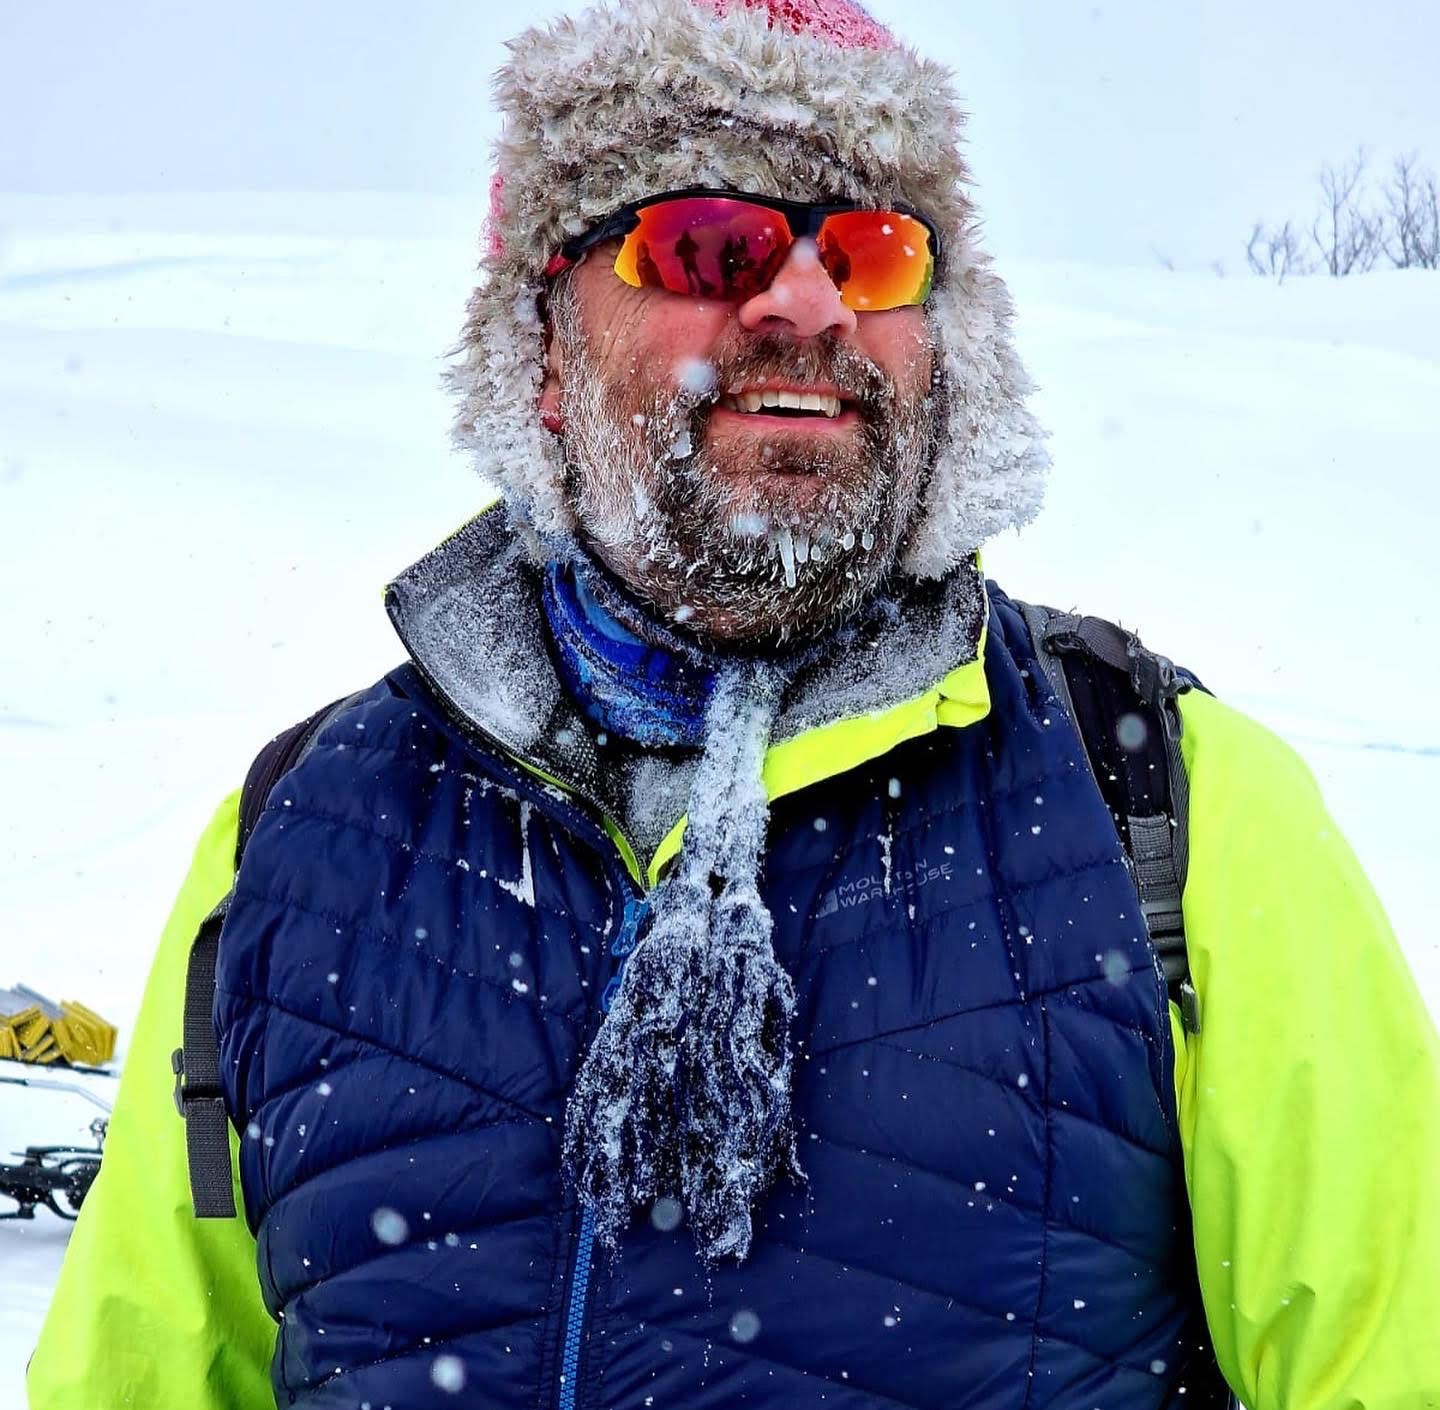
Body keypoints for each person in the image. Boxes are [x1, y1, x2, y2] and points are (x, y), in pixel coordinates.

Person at [28, 0, 1440, 1406]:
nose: (808, 301)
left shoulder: (1164, 809)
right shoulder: (300, 844)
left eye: (874, 252)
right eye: (710, 243)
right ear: (542, 349)